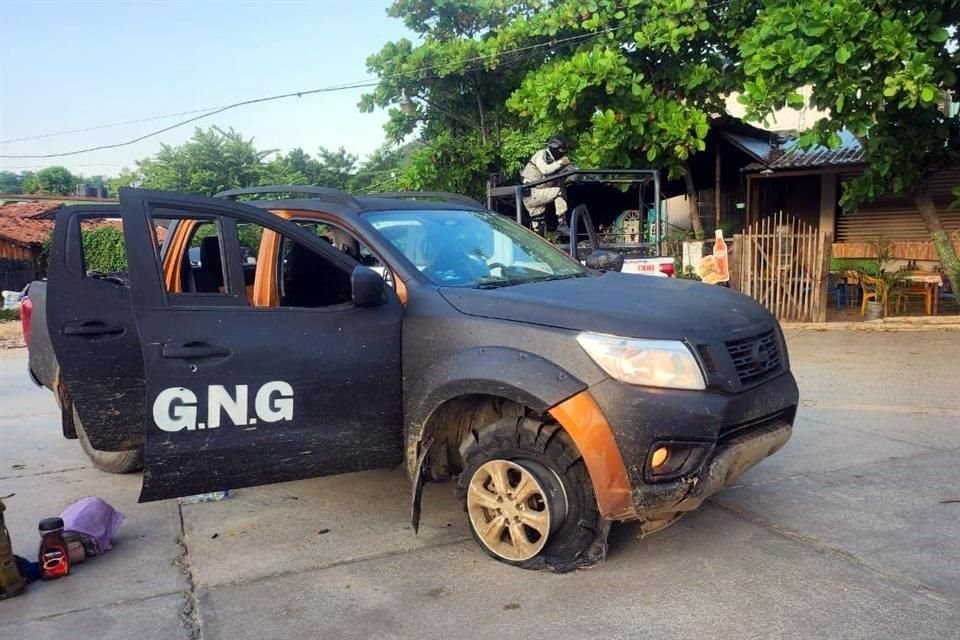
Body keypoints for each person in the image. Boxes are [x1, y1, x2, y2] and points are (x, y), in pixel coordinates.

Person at [521, 135, 573, 234]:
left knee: (539, 224)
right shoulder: (541, 154)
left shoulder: (556, 160)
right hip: (531, 192)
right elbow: (545, 170)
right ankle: (562, 223)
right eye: (561, 149)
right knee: (559, 192)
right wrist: (561, 163)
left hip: (539, 194)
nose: (563, 152)